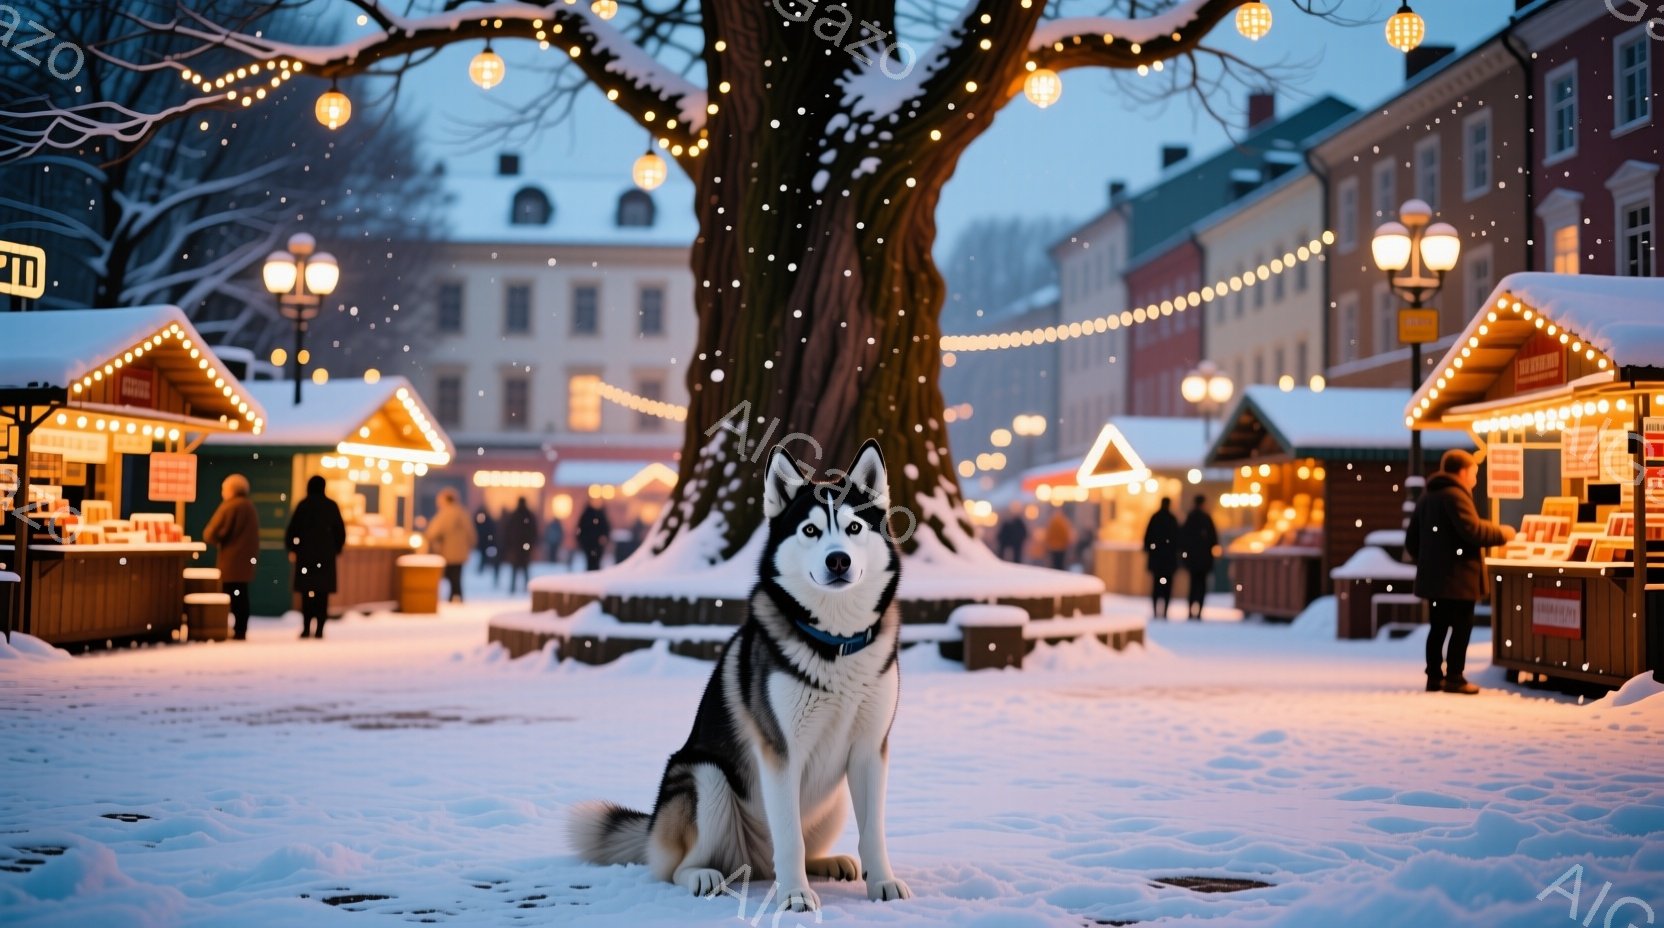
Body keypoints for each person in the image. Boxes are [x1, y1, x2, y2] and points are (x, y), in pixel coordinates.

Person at [1407, 449, 1515, 695]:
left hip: (1435, 580)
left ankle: (1434, 677)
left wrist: (1430, 559)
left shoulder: (1427, 497)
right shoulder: (1455, 496)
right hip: (1458, 579)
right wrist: (1503, 533)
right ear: (1463, 471)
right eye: (1474, 473)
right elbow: (1473, 531)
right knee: (1461, 627)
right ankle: (1455, 677)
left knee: (1438, 627)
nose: (1475, 479)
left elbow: (1411, 541)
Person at [285, 475, 345, 639]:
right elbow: (340, 532)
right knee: (322, 595)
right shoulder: (331, 506)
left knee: (307, 593)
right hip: (325, 557)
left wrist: (293, 548)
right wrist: (336, 549)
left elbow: (292, 530)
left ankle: (306, 628)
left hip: (305, 556)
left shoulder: (303, 506)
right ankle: (319, 628)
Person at [203, 473, 260, 640]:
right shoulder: (250, 507)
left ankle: (224, 627)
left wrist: (219, 539)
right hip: (245, 560)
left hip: (230, 560)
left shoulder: (229, 507)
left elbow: (210, 533)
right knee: (242, 595)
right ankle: (241, 629)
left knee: (228, 595)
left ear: (230, 490)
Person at [428, 488, 477, 602]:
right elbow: (471, 532)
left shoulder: (445, 513)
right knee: (457, 574)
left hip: (448, 551)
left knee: (450, 575)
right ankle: (457, 595)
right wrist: (471, 545)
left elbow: (434, 532)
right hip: (460, 551)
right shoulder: (462, 512)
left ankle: (453, 596)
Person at [1179, 494, 1220, 621]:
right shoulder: (1207, 518)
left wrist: (1185, 555)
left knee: (1192, 585)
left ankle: (1191, 611)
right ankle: (1199, 612)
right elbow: (1214, 539)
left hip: (1192, 559)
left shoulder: (1190, 518)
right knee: (1201, 586)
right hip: (1204, 560)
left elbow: (1183, 538)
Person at [1143, 498, 1181, 620]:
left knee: (1156, 586)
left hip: (1157, 560)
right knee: (1167, 587)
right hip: (1169, 560)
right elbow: (1177, 540)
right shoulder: (1172, 519)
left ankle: (1155, 610)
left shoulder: (1155, 518)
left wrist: (1151, 550)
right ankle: (1165, 611)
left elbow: (1147, 539)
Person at [501, 496, 539, 594]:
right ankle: (527, 587)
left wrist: (509, 545)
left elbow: (507, 532)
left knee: (515, 569)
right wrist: (531, 544)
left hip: (516, 547)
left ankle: (513, 588)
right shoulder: (529, 515)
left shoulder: (514, 515)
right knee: (525, 569)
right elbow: (534, 532)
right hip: (525, 547)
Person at [577, 500, 611, 572]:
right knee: (593, 561)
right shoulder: (597, 516)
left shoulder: (587, 516)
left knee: (593, 561)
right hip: (592, 543)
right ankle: (593, 574)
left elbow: (580, 529)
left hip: (592, 543)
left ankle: (592, 574)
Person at [473, 506, 498, 581]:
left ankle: (481, 568)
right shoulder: (488, 520)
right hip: (486, 542)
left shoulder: (479, 519)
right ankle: (482, 568)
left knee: (483, 556)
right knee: (484, 556)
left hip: (483, 542)